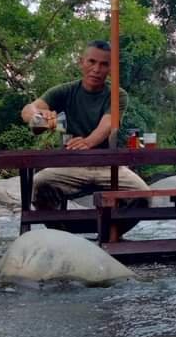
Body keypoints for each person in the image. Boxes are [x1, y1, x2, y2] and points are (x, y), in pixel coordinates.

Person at [20, 40, 149, 210]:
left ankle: (111, 231)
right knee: (37, 185)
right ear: (81, 62)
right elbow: (27, 111)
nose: (96, 69)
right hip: (69, 165)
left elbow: (109, 124)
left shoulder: (118, 94)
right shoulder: (64, 91)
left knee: (143, 196)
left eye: (104, 64)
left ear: (111, 68)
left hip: (108, 166)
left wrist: (87, 142)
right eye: (92, 62)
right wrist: (40, 117)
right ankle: (61, 230)